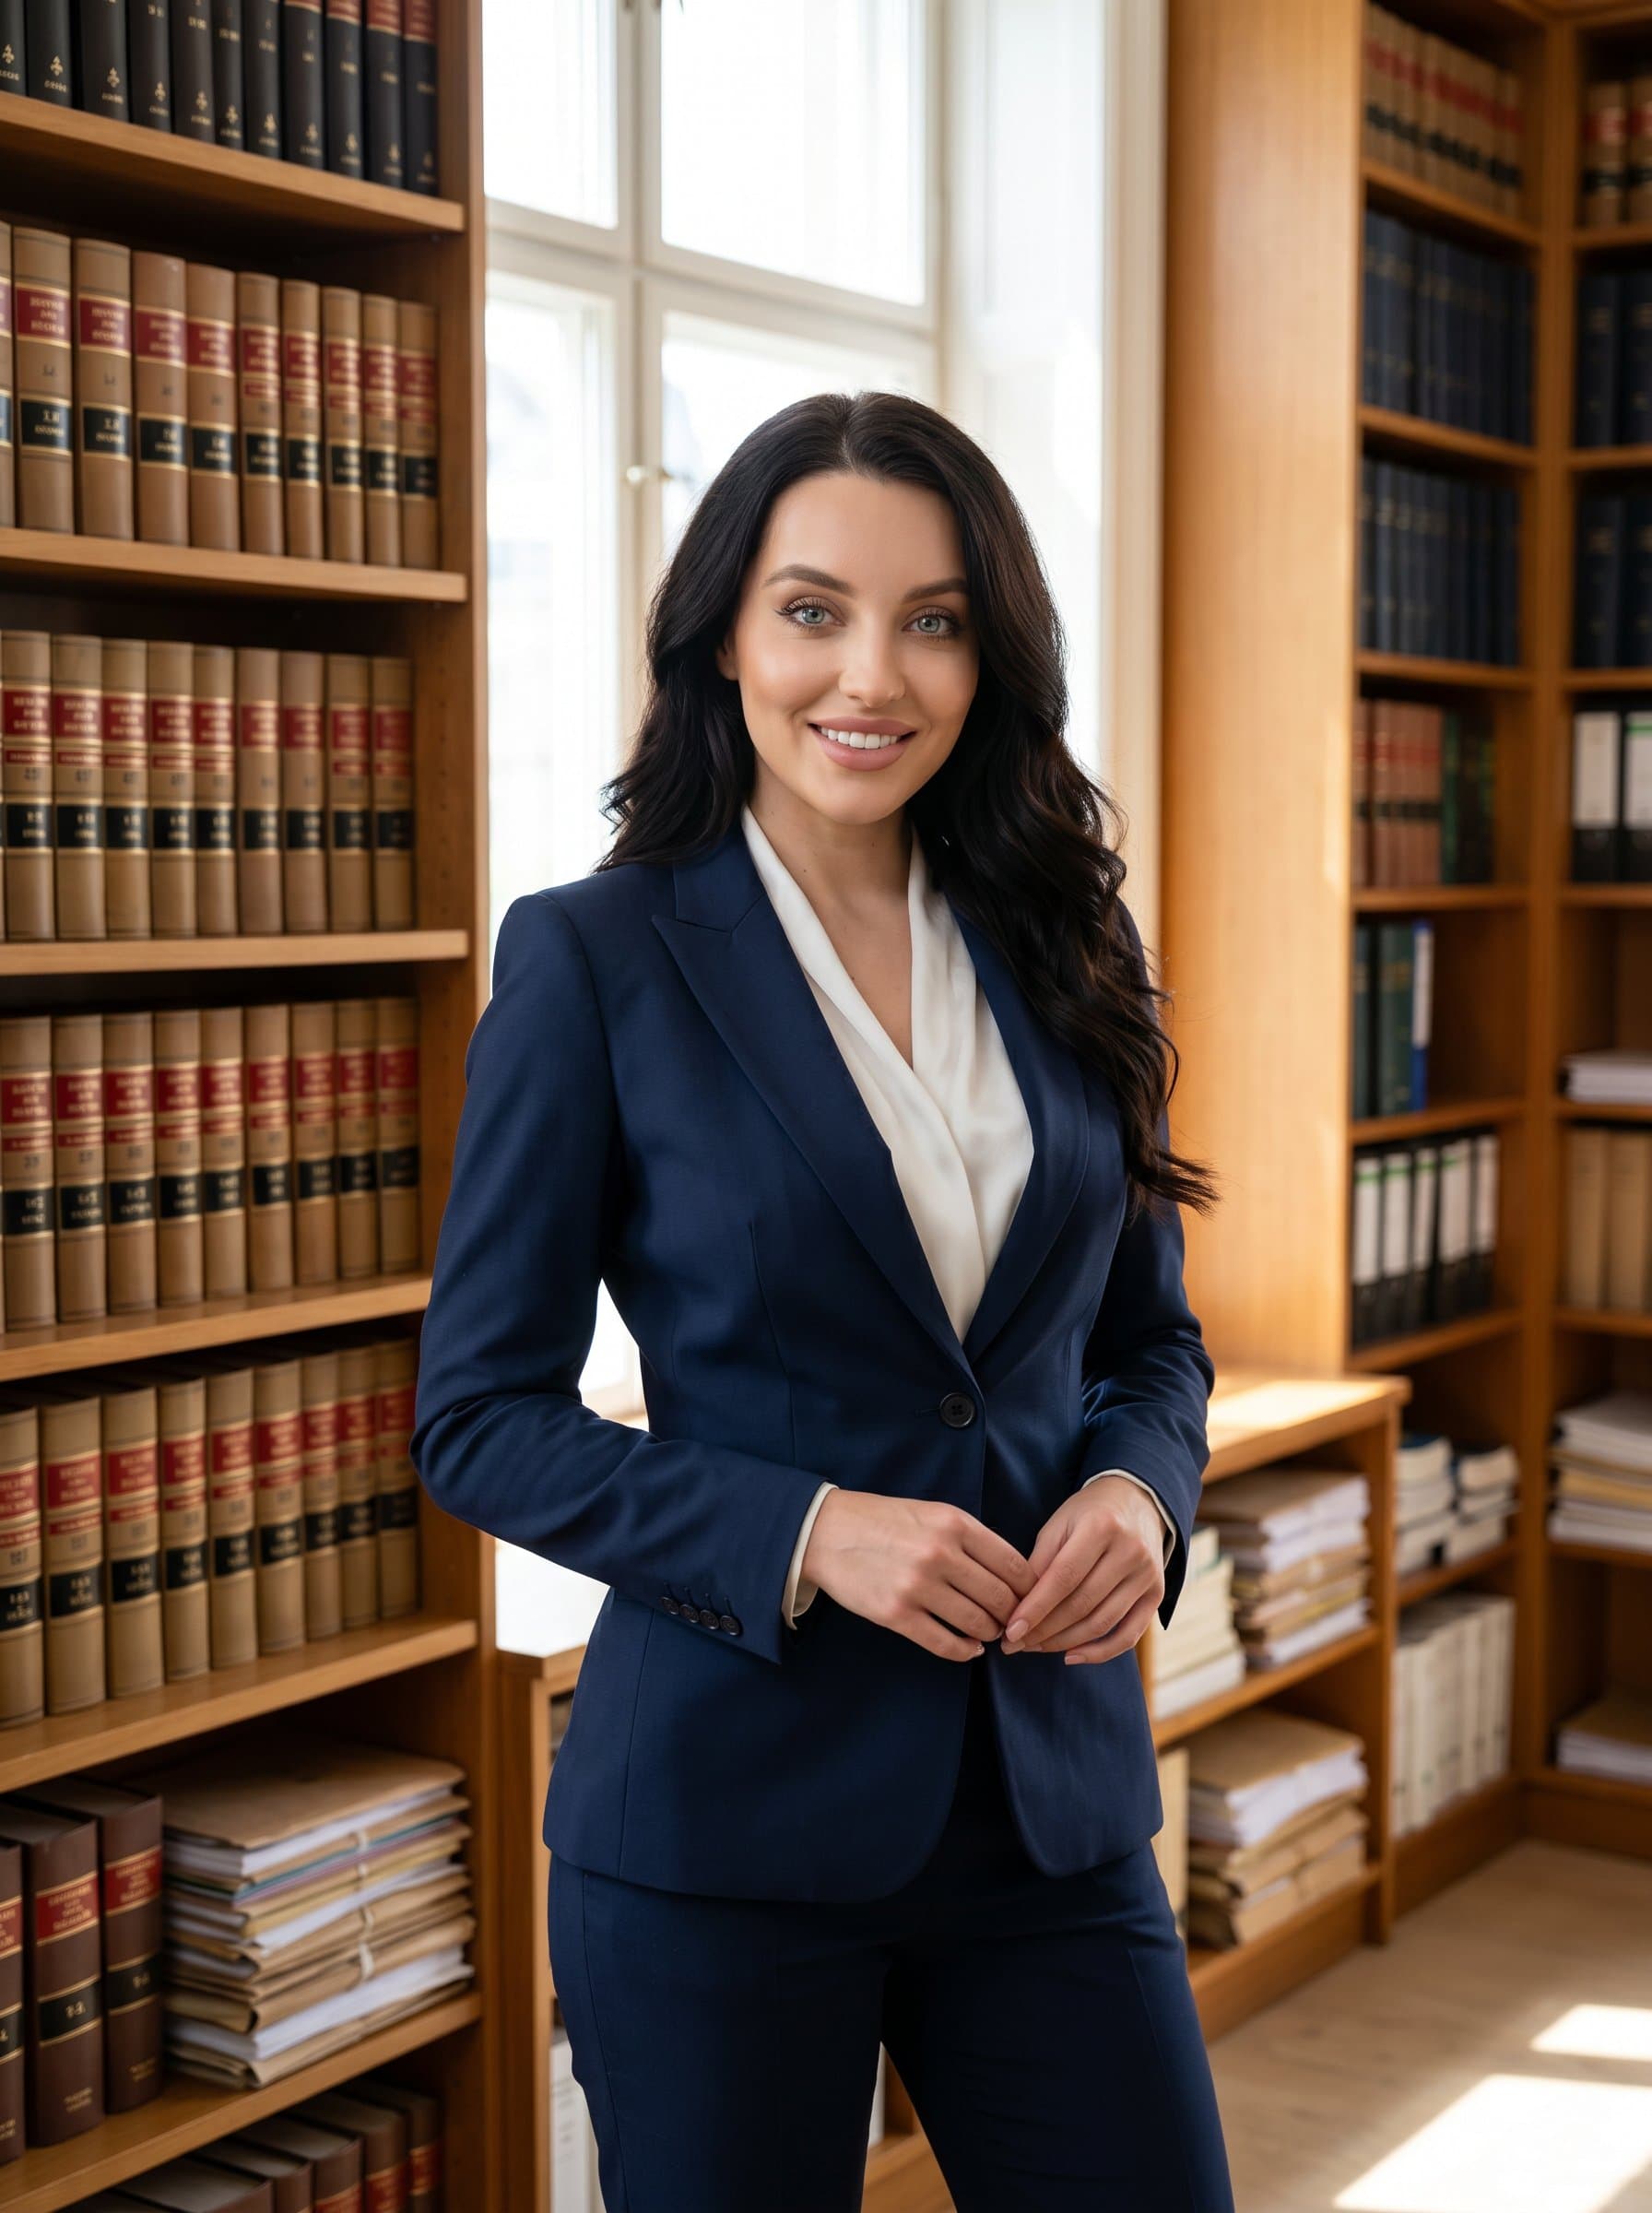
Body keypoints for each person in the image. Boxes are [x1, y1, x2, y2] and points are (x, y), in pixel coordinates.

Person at [410, 390, 1234, 2211]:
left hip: (1047, 1810)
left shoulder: (1065, 943)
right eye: (812, 608)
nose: (872, 672)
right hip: (717, 1828)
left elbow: (1145, 1343)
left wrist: (1134, 1491)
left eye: (932, 618)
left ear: (988, 651)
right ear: (719, 632)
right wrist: (806, 1532)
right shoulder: (594, 959)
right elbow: (478, 1423)